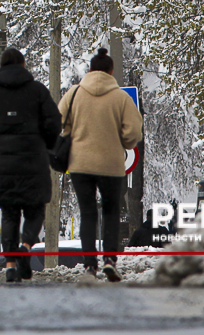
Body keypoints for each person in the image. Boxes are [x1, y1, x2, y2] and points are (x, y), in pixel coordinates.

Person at [0, 47, 61, 284]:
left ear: (1, 66)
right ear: (23, 65)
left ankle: (10, 265)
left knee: (9, 213)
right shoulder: (38, 91)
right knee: (36, 208)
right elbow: (53, 121)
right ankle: (26, 244)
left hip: (1, 162)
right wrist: (47, 145)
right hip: (33, 159)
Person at [59, 48, 144, 282]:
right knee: (110, 212)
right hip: (111, 164)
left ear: (90, 70)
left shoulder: (74, 94)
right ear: (111, 71)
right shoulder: (121, 98)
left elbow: (60, 123)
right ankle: (109, 260)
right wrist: (123, 142)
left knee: (87, 213)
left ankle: (89, 265)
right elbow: (133, 132)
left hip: (79, 164)